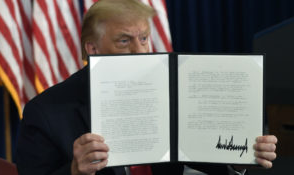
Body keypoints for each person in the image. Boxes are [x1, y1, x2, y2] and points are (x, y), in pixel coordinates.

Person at [16, 0, 277, 175]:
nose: (139, 51)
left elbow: (200, 156)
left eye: (143, 39)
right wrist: (75, 171)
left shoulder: (171, 91)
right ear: (92, 49)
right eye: (123, 41)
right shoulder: (45, 112)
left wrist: (241, 151)